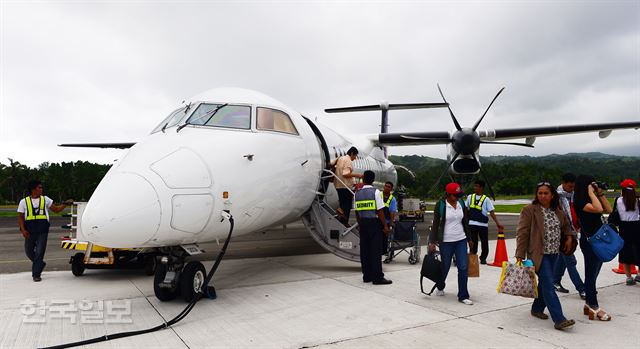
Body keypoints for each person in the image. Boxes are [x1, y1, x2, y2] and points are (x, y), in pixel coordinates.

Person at [516, 181, 576, 330]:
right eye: (540, 193)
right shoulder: (529, 210)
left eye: (546, 193)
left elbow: (566, 226)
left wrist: (569, 237)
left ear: (552, 195)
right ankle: (559, 319)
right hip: (538, 254)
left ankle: (537, 308)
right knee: (549, 284)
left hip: (554, 254)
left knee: (544, 283)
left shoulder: (558, 211)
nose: (542, 196)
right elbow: (522, 232)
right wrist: (520, 254)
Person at [573, 174, 613, 321]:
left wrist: (600, 193)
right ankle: (593, 306)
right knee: (590, 274)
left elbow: (608, 209)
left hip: (599, 240)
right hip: (590, 242)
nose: (594, 185)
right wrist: (591, 192)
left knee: (594, 272)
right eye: (591, 183)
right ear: (585, 185)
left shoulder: (591, 198)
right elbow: (597, 209)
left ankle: (588, 304)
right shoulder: (579, 200)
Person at [428, 182, 473, 305]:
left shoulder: (461, 204)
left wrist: (469, 239)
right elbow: (436, 224)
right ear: (449, 194)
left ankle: (463, 295)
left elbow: (465, 222)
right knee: (445, 266)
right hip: (446, 241)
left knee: (463, 267)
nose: (458, 197)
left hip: (461, 240)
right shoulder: (441, 205)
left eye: (459, 195)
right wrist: (432, 241)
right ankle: (440, 285)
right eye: (455, 195)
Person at [17, 180, 70, 282]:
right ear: (33, 189)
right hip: (30, 230)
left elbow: (56, 210)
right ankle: (40, 263)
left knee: (39, 252)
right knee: (28, 252)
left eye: (41, 187)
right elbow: (20, 217)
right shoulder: (23, 202)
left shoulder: (45, 199)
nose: (41, 189)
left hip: (42, 230)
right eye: (39, 187)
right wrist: (23, 230)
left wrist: (65, 204)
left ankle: (36, 275)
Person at [354, 170, 391, 285]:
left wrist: (360, 224)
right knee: (376, 251)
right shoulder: (376, 192)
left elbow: (356, 211)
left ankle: (367, 275)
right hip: (374, 223)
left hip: (363, 223)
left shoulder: (357, 194)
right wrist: (385, 225)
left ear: (363, 179)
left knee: (365, 251)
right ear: (373, 180)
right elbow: (380, 211)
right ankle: (377, 277)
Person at [552, 173, 586, 299]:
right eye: (570, 186)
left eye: (573, 186)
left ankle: (554, 281)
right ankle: (582, 289)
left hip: (573, 231)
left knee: (563, 259)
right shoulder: (557, 197)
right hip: (563, 234)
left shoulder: (573, 196)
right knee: (571, 261)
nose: (572, 188)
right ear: (563, 183)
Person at [465, 180, 504, 264]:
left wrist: (498, 223)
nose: (474, 187)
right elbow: (465, 209)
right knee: (473, 242)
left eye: (477, 186)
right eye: (474, 186)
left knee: (484, 242)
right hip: (472, 224)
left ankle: (483, 258)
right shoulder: (469, 197)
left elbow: (491, 212)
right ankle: (473, 256)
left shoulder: (486, 199)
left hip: (483, 225)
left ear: (481, 188)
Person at [612, 179, 640, 285]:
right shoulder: (638, 200)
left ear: (622, 190)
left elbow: (615, 215)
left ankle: (628, 277)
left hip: (624, 228)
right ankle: (639, 274)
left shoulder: (618, 200)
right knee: (638, 249)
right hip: (637, 226)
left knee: (625, 251)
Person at [333, 147, 364, 225]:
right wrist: (358, 175)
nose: (355, 158)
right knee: (347, 206)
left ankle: (341, 216)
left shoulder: (340, 158)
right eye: (355, 155)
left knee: (343, 204)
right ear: (352, 153)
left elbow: (331, 163)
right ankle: (344, 222)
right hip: (345, 186)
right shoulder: (348, 160)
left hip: (338, 185)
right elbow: (345, 174)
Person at [381, 181, 397, 256]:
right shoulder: (379, 195)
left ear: (391, 189)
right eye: (386, 186)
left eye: (388, 187)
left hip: (386, 221)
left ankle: (384, 252)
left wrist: (391, 222)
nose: (386, 188)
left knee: (385, 237)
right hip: (377, 219)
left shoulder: (392, 199)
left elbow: (392, 212)